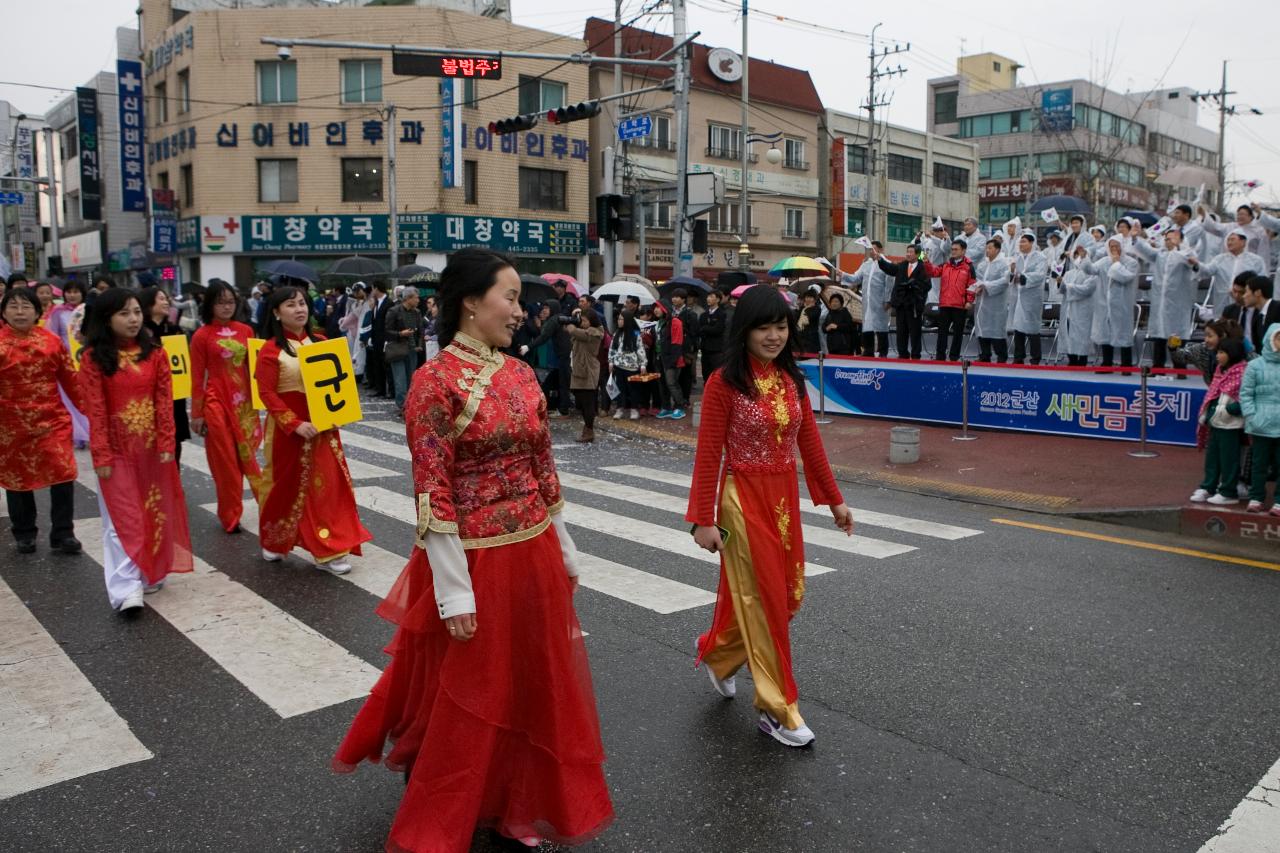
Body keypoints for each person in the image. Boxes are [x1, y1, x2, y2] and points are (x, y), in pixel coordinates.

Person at [333, 248, 613, 851]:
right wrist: (454, 591)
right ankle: (456, 795)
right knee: (474, 689)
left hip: (533, 548)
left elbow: (544, 469)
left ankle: (515, 802)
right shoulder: (433, 384)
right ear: (469, 301)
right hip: (474, 557)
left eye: (519, 299)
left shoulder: (519, 373)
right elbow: (432, 491)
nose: (520, 310)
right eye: (509, 298)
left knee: (530, 683)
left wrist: (565, 549)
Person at [687, 285, 854, 748]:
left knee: (787, 596)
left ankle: (719, 655)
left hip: (783, 498)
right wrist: (702, 518)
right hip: (741, 499)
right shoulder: (724, 383)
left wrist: (835, 500)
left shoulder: (791, 380)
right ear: (745, 331)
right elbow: (708, 454)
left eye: (781, 326)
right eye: (764, 327)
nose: (774, 335)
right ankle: (777, 708)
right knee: (765, 603)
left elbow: (810, 444)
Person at [78, 288, 193, 611]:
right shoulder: (93, 359)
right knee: (120, 519)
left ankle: (149, 569)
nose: (132, 319)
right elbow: (96, 410)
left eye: (136, 313)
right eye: (123, 313)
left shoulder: (154, 353)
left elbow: (164, 401)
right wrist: (100, 453)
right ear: (106, 319)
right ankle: (125, 587)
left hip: (152, 450)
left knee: (153, 512)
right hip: (115, 451)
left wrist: (167, 442)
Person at [254, 287, 371, 575]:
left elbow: (338, 385)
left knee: (328, 488)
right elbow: (267, 393)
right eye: (291, 305)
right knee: (287, 487)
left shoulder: (321, 343)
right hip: (289, 432)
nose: (299, 309)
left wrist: (339, 413)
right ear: (276, 313)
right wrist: (293, 423)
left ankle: (331, 547)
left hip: (323, 429)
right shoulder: (270, 350)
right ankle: (275, 539)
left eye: (302, 303)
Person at [0, 288, 84, 555]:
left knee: (63, 473)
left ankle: (63, 532)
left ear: (37, 312)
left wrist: (94, 409)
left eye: (26, 306)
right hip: (10, 423)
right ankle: (24, 532)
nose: (20, 311)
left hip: (51, 419)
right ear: (3, 313)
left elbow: (71, 380)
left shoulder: (51, 342)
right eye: (13, 306)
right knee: (17, 479)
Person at [189, 280, 264, 534]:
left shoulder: (246, 330)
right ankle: (230, 516)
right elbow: (197, 377)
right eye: (220, 302)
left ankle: (270, 509)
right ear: (210, 305)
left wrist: (262, 399)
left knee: (250, 458)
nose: (226, 307)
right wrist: (197, 414)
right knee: (226, 463)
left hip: (244, 404)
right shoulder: (201, 336)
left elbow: (254, 369)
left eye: (230, 301)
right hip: (216, 403)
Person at [1191, 338, 1250, 506]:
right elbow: (1214, 395)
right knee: (1212, 458)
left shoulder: (1244, 372)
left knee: (1229, 459)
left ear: (1232, 354)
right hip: (1215, 422)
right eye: (1218, 352)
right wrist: (1207, 414)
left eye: (1222, 352)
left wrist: (1232, 410)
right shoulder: (1220, 371)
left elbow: (1246, 397)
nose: (1218, 356)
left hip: (1231, 425)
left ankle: (1228, 491)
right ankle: (1208, 486)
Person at [1129, 228, 1198, 368]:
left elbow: (1194, 265)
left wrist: (1180, 250)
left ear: (1180, 240)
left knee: (1176, 335)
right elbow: (1145, 250)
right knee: (1159, 334)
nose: (1168, 241)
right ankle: (1158, 367)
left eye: (1172, 238)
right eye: (1166, 239)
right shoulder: (1160, 254)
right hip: (1160, 302)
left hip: (1177, 303)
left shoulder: (1186, 253)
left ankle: (1179, 368)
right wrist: (1136, 239)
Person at [139, 286, 192, 461]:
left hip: (175, 393)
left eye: (166, 298)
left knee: (175, 438)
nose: (166, 302)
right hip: (148, 394)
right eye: (161, 298)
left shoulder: (174, 329)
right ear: (148, 304)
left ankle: (174, 479)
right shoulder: (140, 332)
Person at [43, 280, 90, 447]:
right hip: (66, 361)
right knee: (71, 397)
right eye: (69, 292)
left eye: (76, 291)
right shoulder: (58, 312)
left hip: (86, 359)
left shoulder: (88, 310)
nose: (72, 295)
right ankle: (78, 435)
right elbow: (52, 336)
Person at [1240, 323, 1280, 515]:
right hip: (1260, 425)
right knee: (1259, 464)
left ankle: (1279, 501)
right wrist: (1252, 416)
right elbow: (1245, 394)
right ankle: (1256, 497)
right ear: (1270, 339)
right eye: (1278, 338)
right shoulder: (1254, 365)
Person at [1086, 236, 1139, 368]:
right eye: (1112, 247)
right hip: (1104, 302)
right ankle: (1107, 362)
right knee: (1105, 333)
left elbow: (1125, 277)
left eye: (1117, 246)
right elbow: (1090, 270)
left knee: (1123, 334)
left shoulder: (1131, 262)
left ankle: (1126, 364)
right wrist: (1084, 258)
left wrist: (1116, 264)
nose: (1114, 249)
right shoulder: (1104, 261)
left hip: (1122, 304)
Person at [873, 242, 931, 359]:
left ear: (917, 254)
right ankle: (902, 354)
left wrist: (914, 286)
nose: (908, 254)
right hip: (901, 304)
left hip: (914, 305)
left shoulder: (923, 267)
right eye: (907, 252)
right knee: (901, 331)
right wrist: (880, 260)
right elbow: (890, 269)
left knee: (914, 332)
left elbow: (927, 285)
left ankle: (915, 355)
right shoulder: (902, 265)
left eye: (911, 252)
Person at [923, 238, 976, 361]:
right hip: (945, 304)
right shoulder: (946, 265)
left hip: (960, 305)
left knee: (957, 333)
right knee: (942, 332)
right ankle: (940, 356)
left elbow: (972, 284)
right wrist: (925, 261)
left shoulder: (969, 266)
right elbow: (933, 272)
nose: (953, 251)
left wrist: (969, 300)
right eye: (952, 249)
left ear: (963, 251)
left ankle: (954, 356)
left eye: (956, 249)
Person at [1192, 230, 1266, 315]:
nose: (1229, 242)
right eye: (1228, 240)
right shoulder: (1220, 259)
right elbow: (1207, 271)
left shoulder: (1256, 260)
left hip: (1245, 299)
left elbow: (1262, 281)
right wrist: (1196, 264)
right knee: (1222, 324)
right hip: (1222, 300)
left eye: (1232, 239)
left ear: (1243, 242)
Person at [1009, 231, 1049, 365]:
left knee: (1032, 327)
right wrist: (1012, 272)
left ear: (1032, 243)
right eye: (1020, 241)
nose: (1021, 244)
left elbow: (1039, 275)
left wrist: (1022, 277)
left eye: (1024, 241)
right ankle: (1018, 356)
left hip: (1032, 297)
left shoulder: (1040, 257)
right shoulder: (1017, 257)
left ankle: (1035, 357)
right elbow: (1010, 275)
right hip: (1019, 296)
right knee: (1018, 326)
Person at [567, 307, 605, 443]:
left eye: (584, 320)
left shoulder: (595, 333)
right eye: (581, 320)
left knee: (588, 401)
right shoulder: (583, 330)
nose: (582, 323)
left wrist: (571, 323)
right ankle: (588, 428)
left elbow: (574, 332)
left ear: (592, 320)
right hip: (579, 368)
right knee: (581, 399)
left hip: (588, 369)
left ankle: (589, 430)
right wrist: (575, 320)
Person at [384, 287, 424, 414]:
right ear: (408, 298)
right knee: (400, 380)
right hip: (398, 350)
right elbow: (386, 331)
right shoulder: (394, 311)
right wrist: (400, 334)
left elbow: (421, 331)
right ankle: (403, 407)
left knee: (411, 380)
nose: (418, 300)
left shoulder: (417, 312)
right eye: (416, 298)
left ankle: (410, 405)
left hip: (412, 350)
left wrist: (419, 344)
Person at [972, 238, 1011, 363]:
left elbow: (1005, 281)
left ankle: (1001, 356)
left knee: (996, 330)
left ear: (997, 249)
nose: (987, 250)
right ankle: (985, 355)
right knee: (982, 329)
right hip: (982, 302)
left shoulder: (1004, 264)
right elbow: (977, 278)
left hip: (996, 303)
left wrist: (986, 285)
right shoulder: (983, 264)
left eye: (990, 248)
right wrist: (977, 286)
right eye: (986, 248)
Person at [1059, 245, 1097, 366]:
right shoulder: (1069, 273)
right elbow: (1062, 291)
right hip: (1069, 308)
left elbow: (1087, 289)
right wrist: (1060, 283)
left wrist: (1069, 286)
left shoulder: (1091, 273)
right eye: (1075, 255)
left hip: (1083, 308)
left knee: (1082, 334)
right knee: (1069, 333)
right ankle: (1072, 358)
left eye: (1080, 255)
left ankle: (1083, 359)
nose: (1077, 258)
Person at [852, 242, 891, 357]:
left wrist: (888, 300)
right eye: (870, 249)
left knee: (881, 327)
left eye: (873, 249)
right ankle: (868, 350)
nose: (871, 251)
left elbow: (889, 284)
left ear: (880, 250)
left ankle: (883, 352)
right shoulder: (866, 264)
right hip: (867, 302)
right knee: (867, 326)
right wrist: (843, 274)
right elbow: (856, 278)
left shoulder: (887, 264)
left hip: (880, 301)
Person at [609, 310, 647, 421]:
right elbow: (612, 349)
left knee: (633, 390)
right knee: (620, 389)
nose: (619, 321)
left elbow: (640, 349)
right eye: (619, 319)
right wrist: (611, 361)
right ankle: (619, 408)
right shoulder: (617, 333)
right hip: (619, 366)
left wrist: (643, 364)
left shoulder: (635, 334)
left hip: (632, 367)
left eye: (621, 319)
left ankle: (634, 409)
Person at [652, 300, 688, 419]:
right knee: (662, 384)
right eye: (654, 308)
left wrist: (672, 361)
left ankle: (680, 407)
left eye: (658, 307)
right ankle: (666, 407)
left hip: (672, 359)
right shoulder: (658, 323)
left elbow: (677, 343)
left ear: (665, 308)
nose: (656, 310)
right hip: (659, 358)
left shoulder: (675, 322)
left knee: (672, 383)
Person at [670, 288, 699, 396]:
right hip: (672, 347)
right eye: (673, 297)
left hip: (685, 348)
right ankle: (677, 398)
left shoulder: (690, 314)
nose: (674, 299)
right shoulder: (669, 312)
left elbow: (694, 333)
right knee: (673, 375)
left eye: (677, 297)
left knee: (685, 374)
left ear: (683, 299)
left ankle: (685, 399)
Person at [365, 281, 392, 399]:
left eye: (372, 289)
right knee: (377, 364)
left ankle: (391, 390)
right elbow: (374, 321)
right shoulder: (376, 303)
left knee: (387, 366)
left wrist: (387, 339)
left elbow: (388, 323)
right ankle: (379, 388)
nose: (372, 292)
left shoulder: (389, 303)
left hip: (385, 339)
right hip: (376, 339)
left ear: (377, 289)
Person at [1242, 275, 1280, 352]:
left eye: (1246, 292)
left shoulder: (1278, 308)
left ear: (1258, 293)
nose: (1243, 296)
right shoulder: (1258, 318)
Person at [699, 289, 731, 377]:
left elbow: (718, 330)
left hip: (716, 349)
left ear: (717, 300)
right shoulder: (703, 315)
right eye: (708, 297)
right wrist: (708, 329)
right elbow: (700, 330)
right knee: (705, 374)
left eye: (711, 297)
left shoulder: (722, 314)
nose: (708, 299)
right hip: (705, 349)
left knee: (716, 374)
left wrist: (706, 328)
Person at [795, 288, 823, 354]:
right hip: (801, 337)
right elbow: (796, 319)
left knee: (811, 356)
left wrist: (805, 309)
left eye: (811, 297)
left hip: (811, 338)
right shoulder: (802, 308)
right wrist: (800, 309)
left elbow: (810, 317)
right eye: (807, 297)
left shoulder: (817, 309)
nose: (808, 299)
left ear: (815, 299)